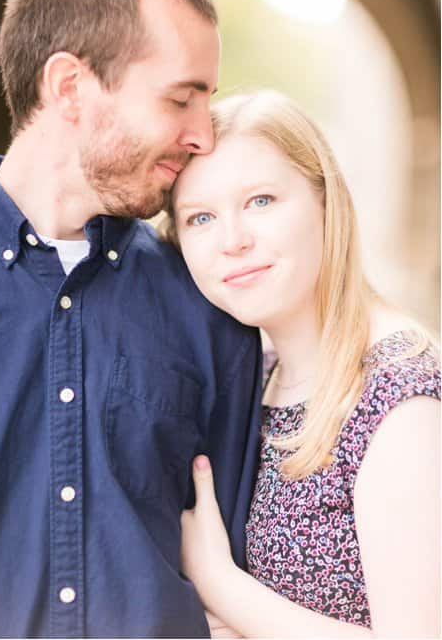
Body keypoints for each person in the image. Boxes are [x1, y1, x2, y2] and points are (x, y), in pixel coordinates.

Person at [0, 0, 265, 637]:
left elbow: (237, 581)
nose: (203, 135)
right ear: (68, 88)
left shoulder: (212, 306)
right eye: (181, 100)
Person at [169, 91, 441, 637]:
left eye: (261, 201)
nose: (233, 240)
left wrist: (221, 585)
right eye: (201, 217)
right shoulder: (256, 375)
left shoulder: (400, 397)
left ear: (326, 201)